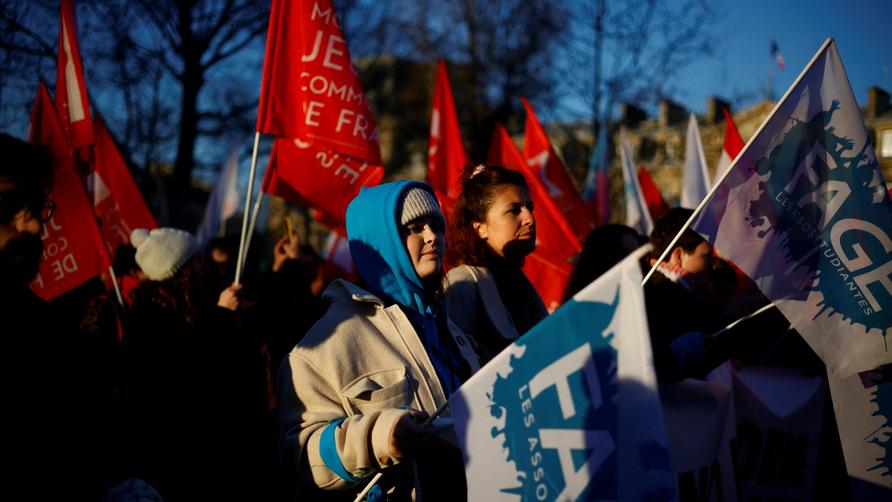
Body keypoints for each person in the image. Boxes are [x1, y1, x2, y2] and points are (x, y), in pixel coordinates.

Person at [278, 181, 479, 500]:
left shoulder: (451, 321)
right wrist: (378, 439)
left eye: (437, 225)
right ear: (382, 239)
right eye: (415, 227)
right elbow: (302, 453)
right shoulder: (326, 344)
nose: (432, 237)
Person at [124, 227, 266, 500]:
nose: (203, 264)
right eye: (196, 260)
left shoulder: (182, 305)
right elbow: (190, 368)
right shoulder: (151, 316)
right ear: (181, 270)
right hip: (179, 451)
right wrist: (221, 316)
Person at [444, 163, 547, 364]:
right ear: (480, 227)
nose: (530, 219)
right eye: (514, 210)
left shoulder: (520, 284)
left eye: (530, 208)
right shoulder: (463, 284)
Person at [644, 207, 730, 382]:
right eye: (706, 256)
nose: (712, 264)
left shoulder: (696, 294)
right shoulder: (654, 298)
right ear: (678, 255)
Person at [563, 224, 643, 301]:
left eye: (638, 257)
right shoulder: (575, 309)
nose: (636, 264)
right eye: (626, 255)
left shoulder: (633, 307)